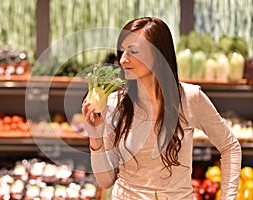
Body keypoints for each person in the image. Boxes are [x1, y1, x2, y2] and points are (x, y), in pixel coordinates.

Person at [81, 17, 241, 200]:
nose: (123, 60)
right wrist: (95, 134)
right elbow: (106, 181)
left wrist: (228, 197)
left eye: (133, 51)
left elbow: (230, 146)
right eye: (122, 51)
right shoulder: (114, 103)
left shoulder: (190, 98)